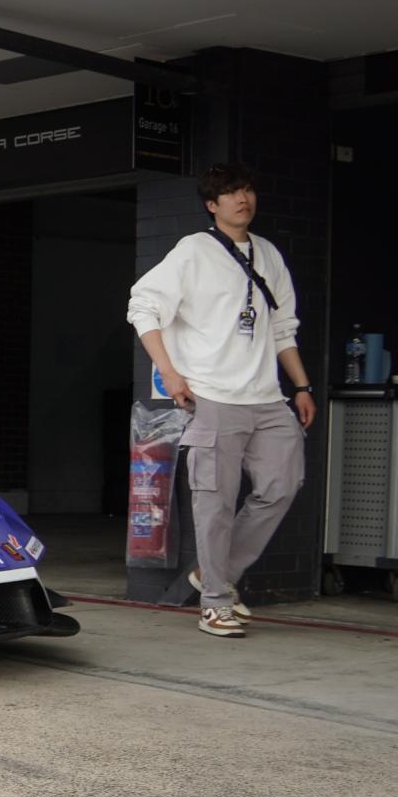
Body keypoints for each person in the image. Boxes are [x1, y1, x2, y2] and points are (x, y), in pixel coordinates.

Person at [127, 162, 315, 638]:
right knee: (215, 502)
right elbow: (143, 304)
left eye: (247, 190)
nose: (242, 199)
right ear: (213, 205)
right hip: (211, 395)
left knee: (283, 484)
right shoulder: (193, 251)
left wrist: (302, 386)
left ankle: (218, 573)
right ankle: (214, 601)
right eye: (230, 193)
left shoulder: (268, 254)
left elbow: (281, 328)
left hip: (268, 398)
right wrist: (170, 373)